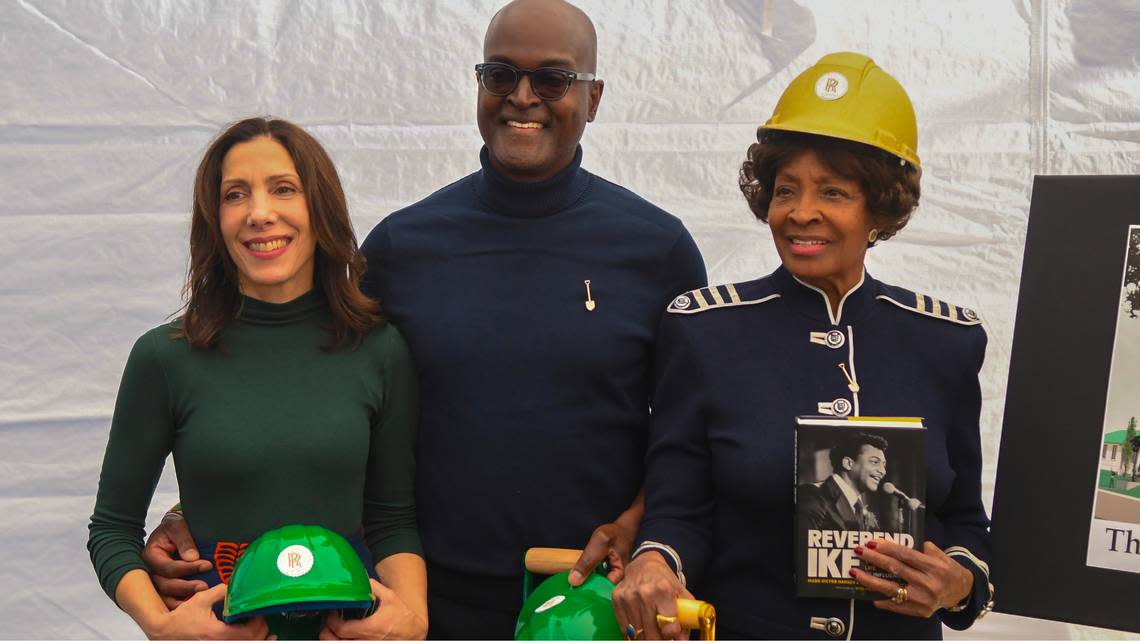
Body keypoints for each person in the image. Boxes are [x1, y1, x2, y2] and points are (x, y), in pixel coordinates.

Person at [140, 1, 707, 638]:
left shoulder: (658, 251)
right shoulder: (402, 249)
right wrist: (210, 505)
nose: (523, 97)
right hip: (422, 606)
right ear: (479, 87)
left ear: (593, 98)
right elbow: (319, 390)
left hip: (594, 606)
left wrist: (641, 525)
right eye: (500, 76)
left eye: (551, 79)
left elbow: (690, 436)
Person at [612, 52, 993, 640]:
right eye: (785, 189)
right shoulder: (705, 331)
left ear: (881, 208)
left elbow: (967, 520)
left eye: (833, 192)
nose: (800, 212)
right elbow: (678, 510)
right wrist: (655, 559)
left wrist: (959, 581)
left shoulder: (947, 342)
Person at [87, 117, 427, 640]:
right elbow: (111, 529)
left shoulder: (379, 350)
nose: (259, 213)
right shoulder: (163, 358)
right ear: (214, 218)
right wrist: (163, 627)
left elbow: (392, 519)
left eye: (283, 189)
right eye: (235, 194)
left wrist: (412, 618)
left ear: (320, 207)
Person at [800, 432, 889, 532]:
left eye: (884, 465)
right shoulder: (813, 495)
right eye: (875, 462)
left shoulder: (861, 510)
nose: (883, 471)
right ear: (848, 463)